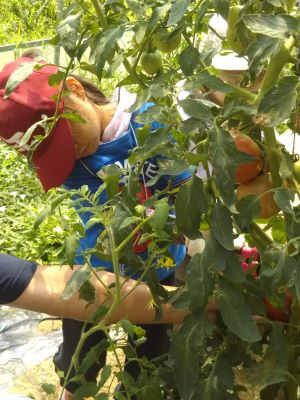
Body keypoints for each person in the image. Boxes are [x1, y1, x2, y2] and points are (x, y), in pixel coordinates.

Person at [0, 53, 191, 399]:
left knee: (149, 349)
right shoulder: (73, 163)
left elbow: (184, 184)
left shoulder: (150, 121)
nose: (70, 156)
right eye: (54, 154)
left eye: (64, 141)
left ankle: (137, 389)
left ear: (74, 88)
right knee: (79, 352)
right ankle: (72, 388)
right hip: (96, 273)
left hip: (158, 266)